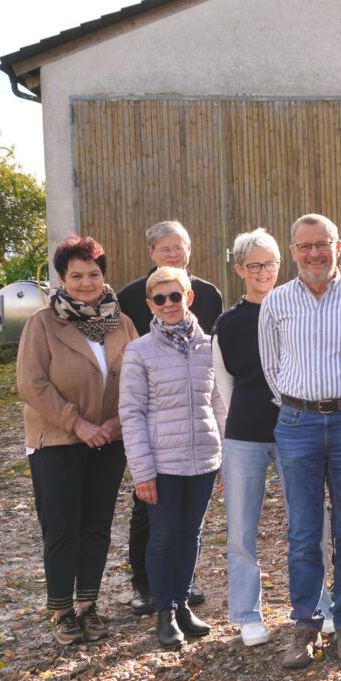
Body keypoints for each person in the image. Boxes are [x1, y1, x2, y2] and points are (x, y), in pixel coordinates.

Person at [259, 213, 341, 666]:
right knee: (303, 531)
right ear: (292, 251)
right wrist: (303, 403)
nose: (314, 253)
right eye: (305, 245)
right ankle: (306, 623)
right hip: (297, 423)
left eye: (322, 244)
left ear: (337, 246)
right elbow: (271, 368)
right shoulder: (275, 303)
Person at [17, 235, 137, 644]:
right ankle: (61, 611)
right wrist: (78, 424)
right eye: (77, 275)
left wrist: (119, 422)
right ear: (62, 279)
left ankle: (88, 604)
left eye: (94, 274)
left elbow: (138, 378)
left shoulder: (121, 322)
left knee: (97, 525)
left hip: (110, 438)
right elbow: (32, 384)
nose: (86, 282)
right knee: (63, 526)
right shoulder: (43, 323)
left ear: (104, 276)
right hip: (58, 439)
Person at [119, 220, 223, 615]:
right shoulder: (139, 345)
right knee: (159, 531)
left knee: (190, 532)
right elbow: (132, 409)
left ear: (190, 296)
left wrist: (224, 456)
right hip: (160, 453)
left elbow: (217, 399)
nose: (169, 304)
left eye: (176, 297)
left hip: (199, 451)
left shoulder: (206, 340)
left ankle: (180, 600)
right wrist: (141, 469)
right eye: (160, 299)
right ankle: (155, 596)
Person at [211, 229, 285, 648]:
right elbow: (224, 385)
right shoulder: (228, 322)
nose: (263, 272)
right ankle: (247, 613)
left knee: (310, 522)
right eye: (254, 265)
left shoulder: (294, 309)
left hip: (296, 431)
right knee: (241, 528)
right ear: (239, 269)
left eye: (270, 264)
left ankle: (317, 603)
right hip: (245, 435)